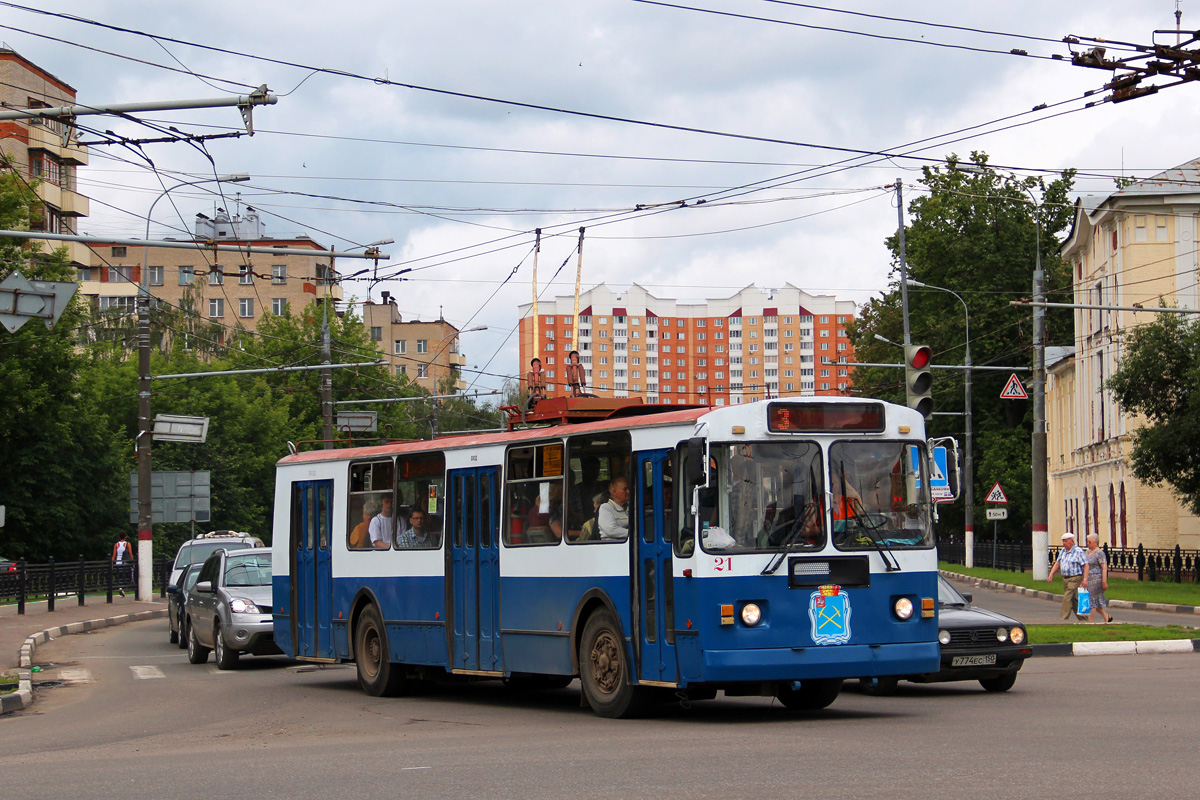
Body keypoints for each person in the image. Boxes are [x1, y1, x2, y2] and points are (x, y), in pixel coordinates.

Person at [1047, 531, 1089, 621]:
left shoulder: (1078, 551)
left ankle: (1063, 619)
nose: (1064, 544)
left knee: (1067, 597)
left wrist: (1085, 579)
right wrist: (1051, 574)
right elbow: (1057, 563)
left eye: (1065, 541)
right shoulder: (1063, 551)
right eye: (1063, 541)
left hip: (1076, 578)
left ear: (1071, 541)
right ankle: (1084, 619)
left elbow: (1085, 565)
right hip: (1066, 579)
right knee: (1073, 600)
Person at [1082, 533, 1114, 623]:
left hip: (1097, 578)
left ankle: (1090, 621)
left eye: (1090, 542)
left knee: (1092, 600)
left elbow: (1104, 567)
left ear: (1095, 543)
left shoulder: (1100, 553)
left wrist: (1104, 581)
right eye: (1087, 542)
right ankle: (1106, 616)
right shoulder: (1086, 552)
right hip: (1087, 578)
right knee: (1093, 600)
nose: (1088, 544)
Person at [111, 532, 134, 597]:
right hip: (125, 562)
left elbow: (114, 555)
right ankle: (123, 587)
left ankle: (120, 587)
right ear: (125, 537)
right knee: (125, 575)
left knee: (119, 576)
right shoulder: (127, 544)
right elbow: (130, 553)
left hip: (118, 562)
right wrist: (132, 562)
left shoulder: (116, 544)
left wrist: (112, 564)